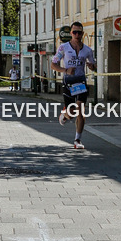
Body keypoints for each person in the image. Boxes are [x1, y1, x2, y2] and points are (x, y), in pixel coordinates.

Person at [51, 21, 96, 150]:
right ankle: (64, 115)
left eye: (79, 32)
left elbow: (93, 66)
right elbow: (53, 64)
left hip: (81, 81)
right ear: (71, 33)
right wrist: (65, 70)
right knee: (71, 113)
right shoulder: (63, 47)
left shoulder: (87, 50)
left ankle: (77, 140)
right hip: (68, 81)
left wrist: (92, 67)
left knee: (81, 111)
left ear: (82, 33)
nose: (77, 34)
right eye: (74, 32)